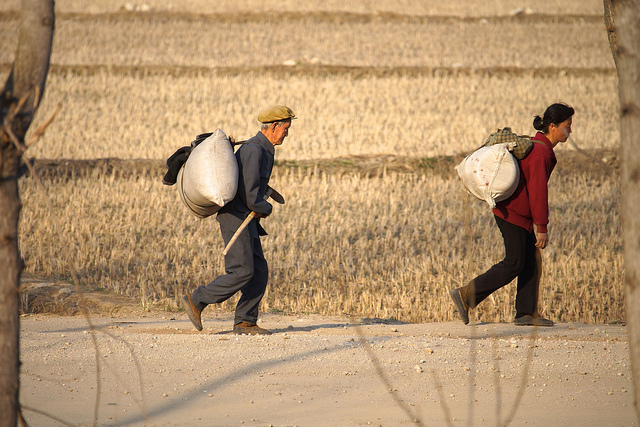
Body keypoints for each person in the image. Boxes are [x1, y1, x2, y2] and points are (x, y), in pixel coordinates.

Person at [450, 103, 575, 326]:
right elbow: (538, 192)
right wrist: (542, 227)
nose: (570, 131)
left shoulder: (538, 147)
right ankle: (465, 294)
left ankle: (526, 314)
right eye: (567, 126)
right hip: (512, 213)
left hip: (514, 211)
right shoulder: (540, 152)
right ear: (553, 127)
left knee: (531, 260)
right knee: (515, 262)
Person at [181, 105, 296, 334]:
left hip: (246, 219)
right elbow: (251, 195)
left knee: (259, 271)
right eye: (285, 129)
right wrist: (266, 208)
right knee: (242, 271)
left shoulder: (262, 149)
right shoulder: (255, 151)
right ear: (274, 127)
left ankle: (245, 321)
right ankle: (197, 300)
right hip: (236, 218)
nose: (287, 134)